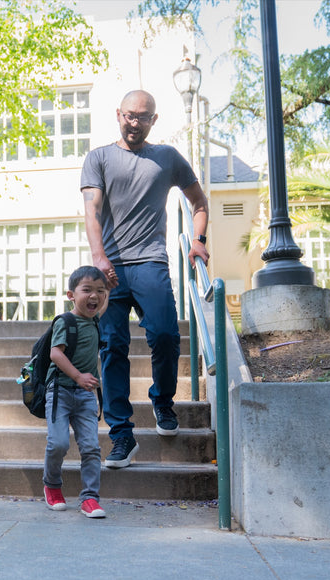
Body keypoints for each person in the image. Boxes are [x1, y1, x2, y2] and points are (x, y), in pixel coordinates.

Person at [80, 89, 210, 469]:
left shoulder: (167, 158)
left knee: (167, 336)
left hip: (151, 261)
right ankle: (121, 436)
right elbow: (92, 211)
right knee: (112, 348)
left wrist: (198, 241)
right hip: (110, 270)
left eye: (143, 116)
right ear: (117, 114)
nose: (135, 122)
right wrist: (99, 259)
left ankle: (162, 401)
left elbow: (199, 202)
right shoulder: (99, 158)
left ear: (154, 120)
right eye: (130, 115)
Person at [42, 266, 110, 518]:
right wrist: (79, 376)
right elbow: (55, 353)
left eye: (100, 291)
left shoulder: (95, 319)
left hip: (85, 395)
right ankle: (52, 485)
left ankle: (90, 498)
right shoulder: (65, 321)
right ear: (71, 294)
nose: (94, 296)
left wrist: (109, 285)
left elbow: (104, 299)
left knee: (91, 447)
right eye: (87, 290)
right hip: (60, 390)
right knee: (58, 443)